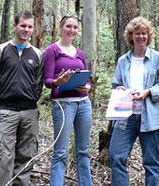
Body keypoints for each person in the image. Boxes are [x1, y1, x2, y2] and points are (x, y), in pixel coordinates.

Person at [109, 16, 159, 186]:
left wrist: (148, 91)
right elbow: (117, 84)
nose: (141, 37)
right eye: (137, 33)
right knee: (116, 156)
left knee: (151, 162)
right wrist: (121, 90)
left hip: (150, 116)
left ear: (149, 36)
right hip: (125, 116)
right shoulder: (123, 61)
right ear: (131, 36)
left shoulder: (157, 58)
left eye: (144, 33)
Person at [0, 10, 43, 186]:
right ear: (15, 26)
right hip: (7, 111)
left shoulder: (37, 54)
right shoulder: (0, 50)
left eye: (29, 26)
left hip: (29, 113)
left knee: (26, 156)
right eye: (23, 26)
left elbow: (38, 83)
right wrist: (2, 105)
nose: (26, 30)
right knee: (4, 157)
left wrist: (31, 100)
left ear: (33, 29)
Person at [43, 14, 92, 186]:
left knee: (83, 151)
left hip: (84, 104)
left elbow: (87, 79)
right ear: (61, 27)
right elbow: (48, 81)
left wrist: (88, 87)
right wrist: (59, 82)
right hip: (63, 105)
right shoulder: (52, 51)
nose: (72, 30)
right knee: (60, 152)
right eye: (68, 26)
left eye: (75, 27)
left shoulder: (80, 53)